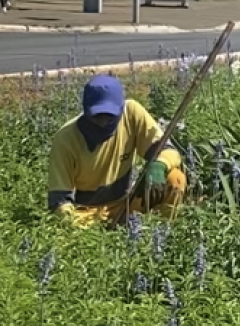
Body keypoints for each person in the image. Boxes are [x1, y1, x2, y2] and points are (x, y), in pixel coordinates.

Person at [48, 75, 186, 227]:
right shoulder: (65, 139)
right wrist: (73, 225)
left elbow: (169, 151)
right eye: (97, 116)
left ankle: (162, 231)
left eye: (109, 116)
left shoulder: (131, 113)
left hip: (126, 203)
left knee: (175, 179)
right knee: (66, 228)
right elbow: (59, 202)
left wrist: (158, 165)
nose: (103, 123)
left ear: (121, 109)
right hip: (86, 213)